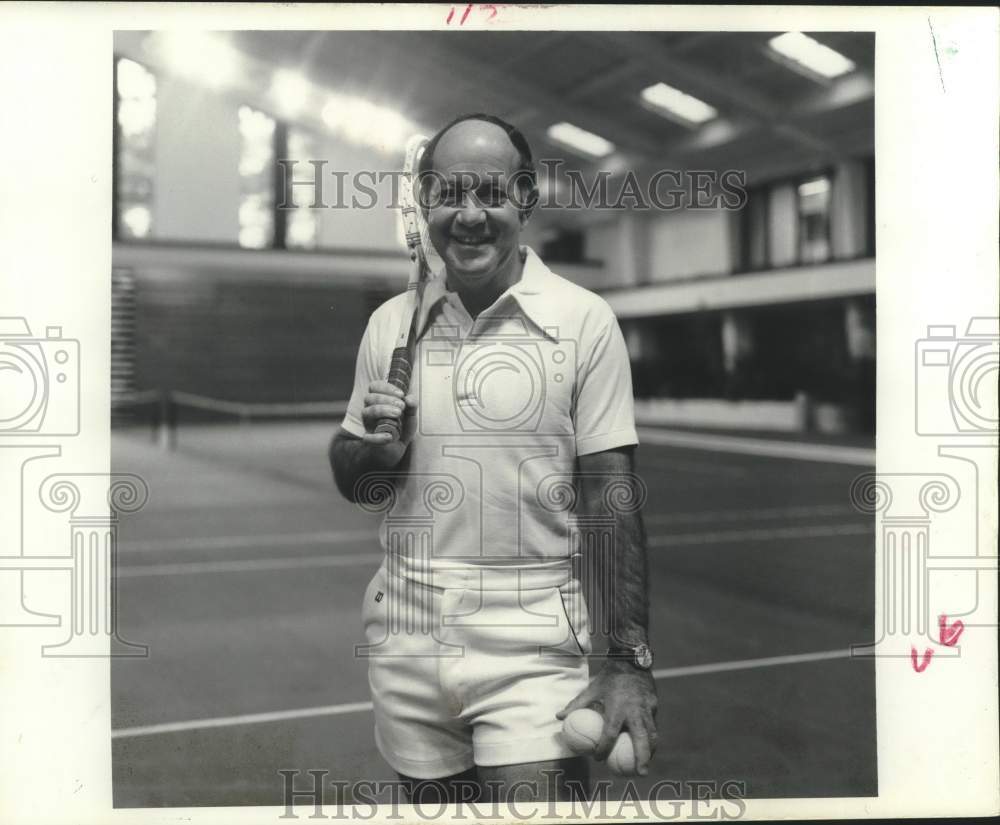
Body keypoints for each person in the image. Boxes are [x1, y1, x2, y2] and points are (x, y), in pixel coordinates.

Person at [329, 113, 656, 804]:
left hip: (533, 635)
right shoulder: (390, 325)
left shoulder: (583, 320)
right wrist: (373, 450)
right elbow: (352, 476)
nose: (470, 215)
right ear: (425, 204)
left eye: (490, 193)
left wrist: (627, 659)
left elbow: (611, 494)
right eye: (450, 194)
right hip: (408, 631)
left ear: (526, 198)